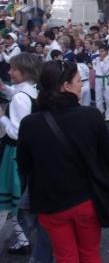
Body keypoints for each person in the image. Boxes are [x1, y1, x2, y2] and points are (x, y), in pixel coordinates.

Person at [17, 61, 109, 263]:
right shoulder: (91, 116)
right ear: (65, 86)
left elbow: (24, 166)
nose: (81, 85)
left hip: (50, 202)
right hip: (87, 199)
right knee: (90, 253)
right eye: (77, 81)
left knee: (65, 256)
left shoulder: (29, 123)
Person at [0, 53, 40, 255]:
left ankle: (24, 240)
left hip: (15, 152)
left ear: (24, 72)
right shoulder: (32, 91)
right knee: (17, 201)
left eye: (13, 69)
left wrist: (2, 119)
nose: (9, 72)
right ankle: (23, 240)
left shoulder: (20, 99)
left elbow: (18, 132)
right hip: (26, 152)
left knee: (11, 200)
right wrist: (5, 89)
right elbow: (16, 93)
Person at [94, 44, 109, 122]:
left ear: (106, 51)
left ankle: (108, 114)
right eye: (99, 51)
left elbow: (105, 71)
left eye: (102, 51)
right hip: (98, 79)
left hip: (106, 79)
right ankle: (100, 111)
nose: (100, 53)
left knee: (107, 98)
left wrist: (102, 61)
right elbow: (94, 66)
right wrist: (98, 62)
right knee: (98, 97)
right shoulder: (97, 58)